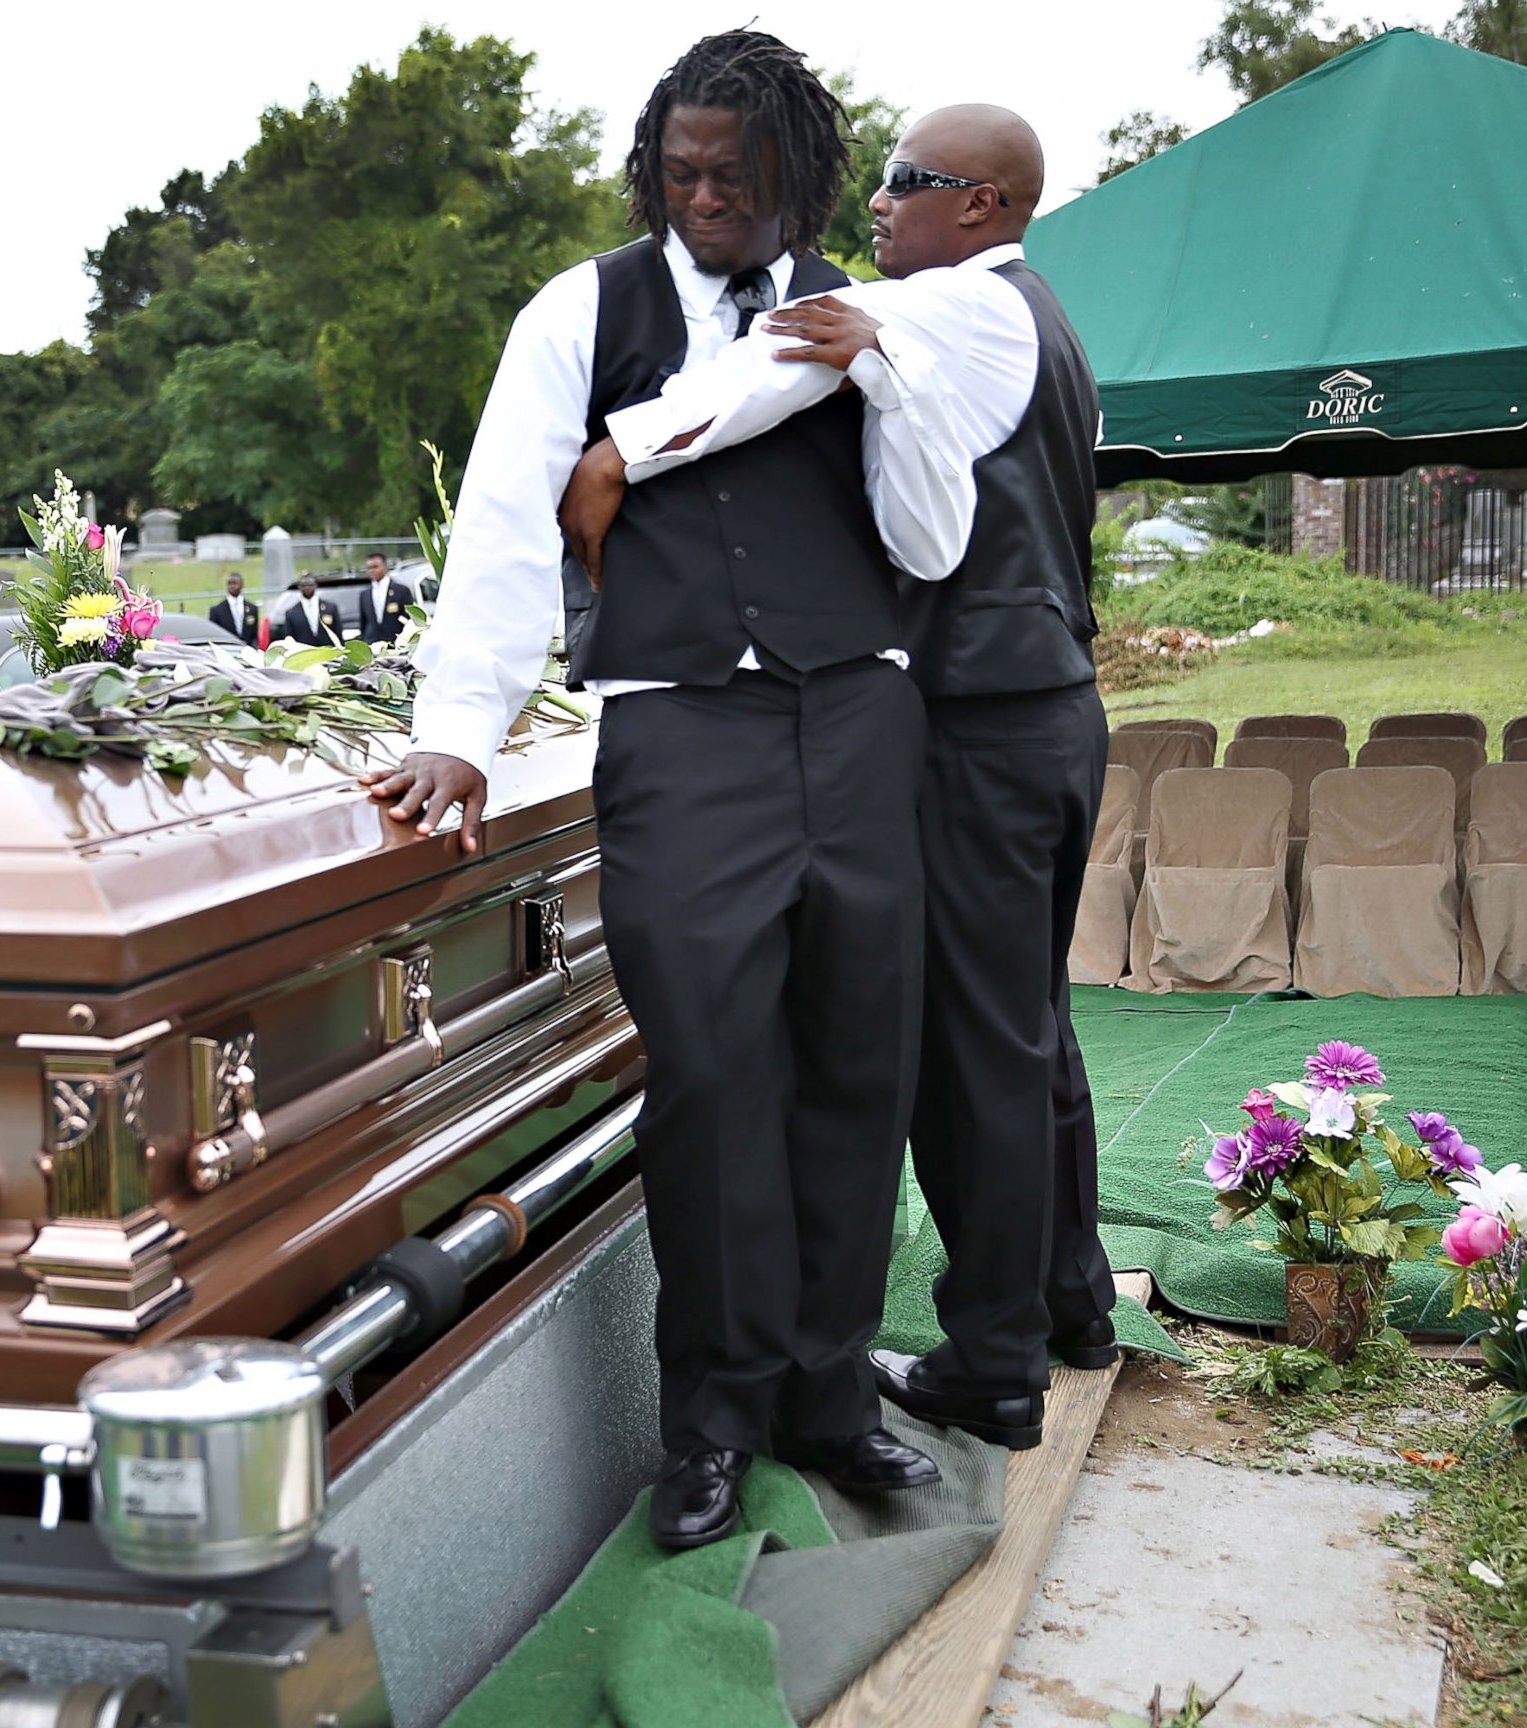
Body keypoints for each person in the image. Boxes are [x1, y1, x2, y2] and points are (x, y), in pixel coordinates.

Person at [362, 30, 939, 1551]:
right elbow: (500, 526)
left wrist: (881, 373)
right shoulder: (582, 309)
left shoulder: (854, 316)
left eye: (734, 178)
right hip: (681, 743)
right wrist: (462, 730)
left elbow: (920, 519)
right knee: (707, 1082)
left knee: (854, 1070)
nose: (704, 200)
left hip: (861, 727)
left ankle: (831, 1400)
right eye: (680, 173)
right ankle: (710, 1426)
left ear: (797, 176)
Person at [565, 104, 1118, 1451]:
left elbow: (776, 368)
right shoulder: (1048, 322)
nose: (874, 207)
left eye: (903, 182)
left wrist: (621, 452)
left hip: (978, 720)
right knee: (1027, 1024)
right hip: (1050, 708)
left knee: (970, 1049)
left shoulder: (952, 309)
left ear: (982, 204)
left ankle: (992, 1358)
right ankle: (1067, 1301)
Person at [354, 553, 415, 646]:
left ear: (385, 567)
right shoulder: (365, 594)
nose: (372, 571)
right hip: (372, 643)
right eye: (369, 568)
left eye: (375, 567)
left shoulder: (401, 590)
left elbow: (409, 619)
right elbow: (364, 622)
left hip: (395, 643)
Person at [276, 575, 342, 647]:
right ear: (300, 587)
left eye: (310, 585)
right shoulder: (291, 613)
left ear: (315, 586)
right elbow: (288, 637)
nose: (307, 588)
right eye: (304, 585)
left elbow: (338, 632)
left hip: (329, 652)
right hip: (304, 653)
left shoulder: (330, 608)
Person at [208, 572, 258, 645]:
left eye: (234, 583)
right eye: (229, 583)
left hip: (247, 647)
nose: (231, 586)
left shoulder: (252, 609)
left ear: (241, 585)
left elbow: (254, 632)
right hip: (227, 647)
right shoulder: (217, 610)